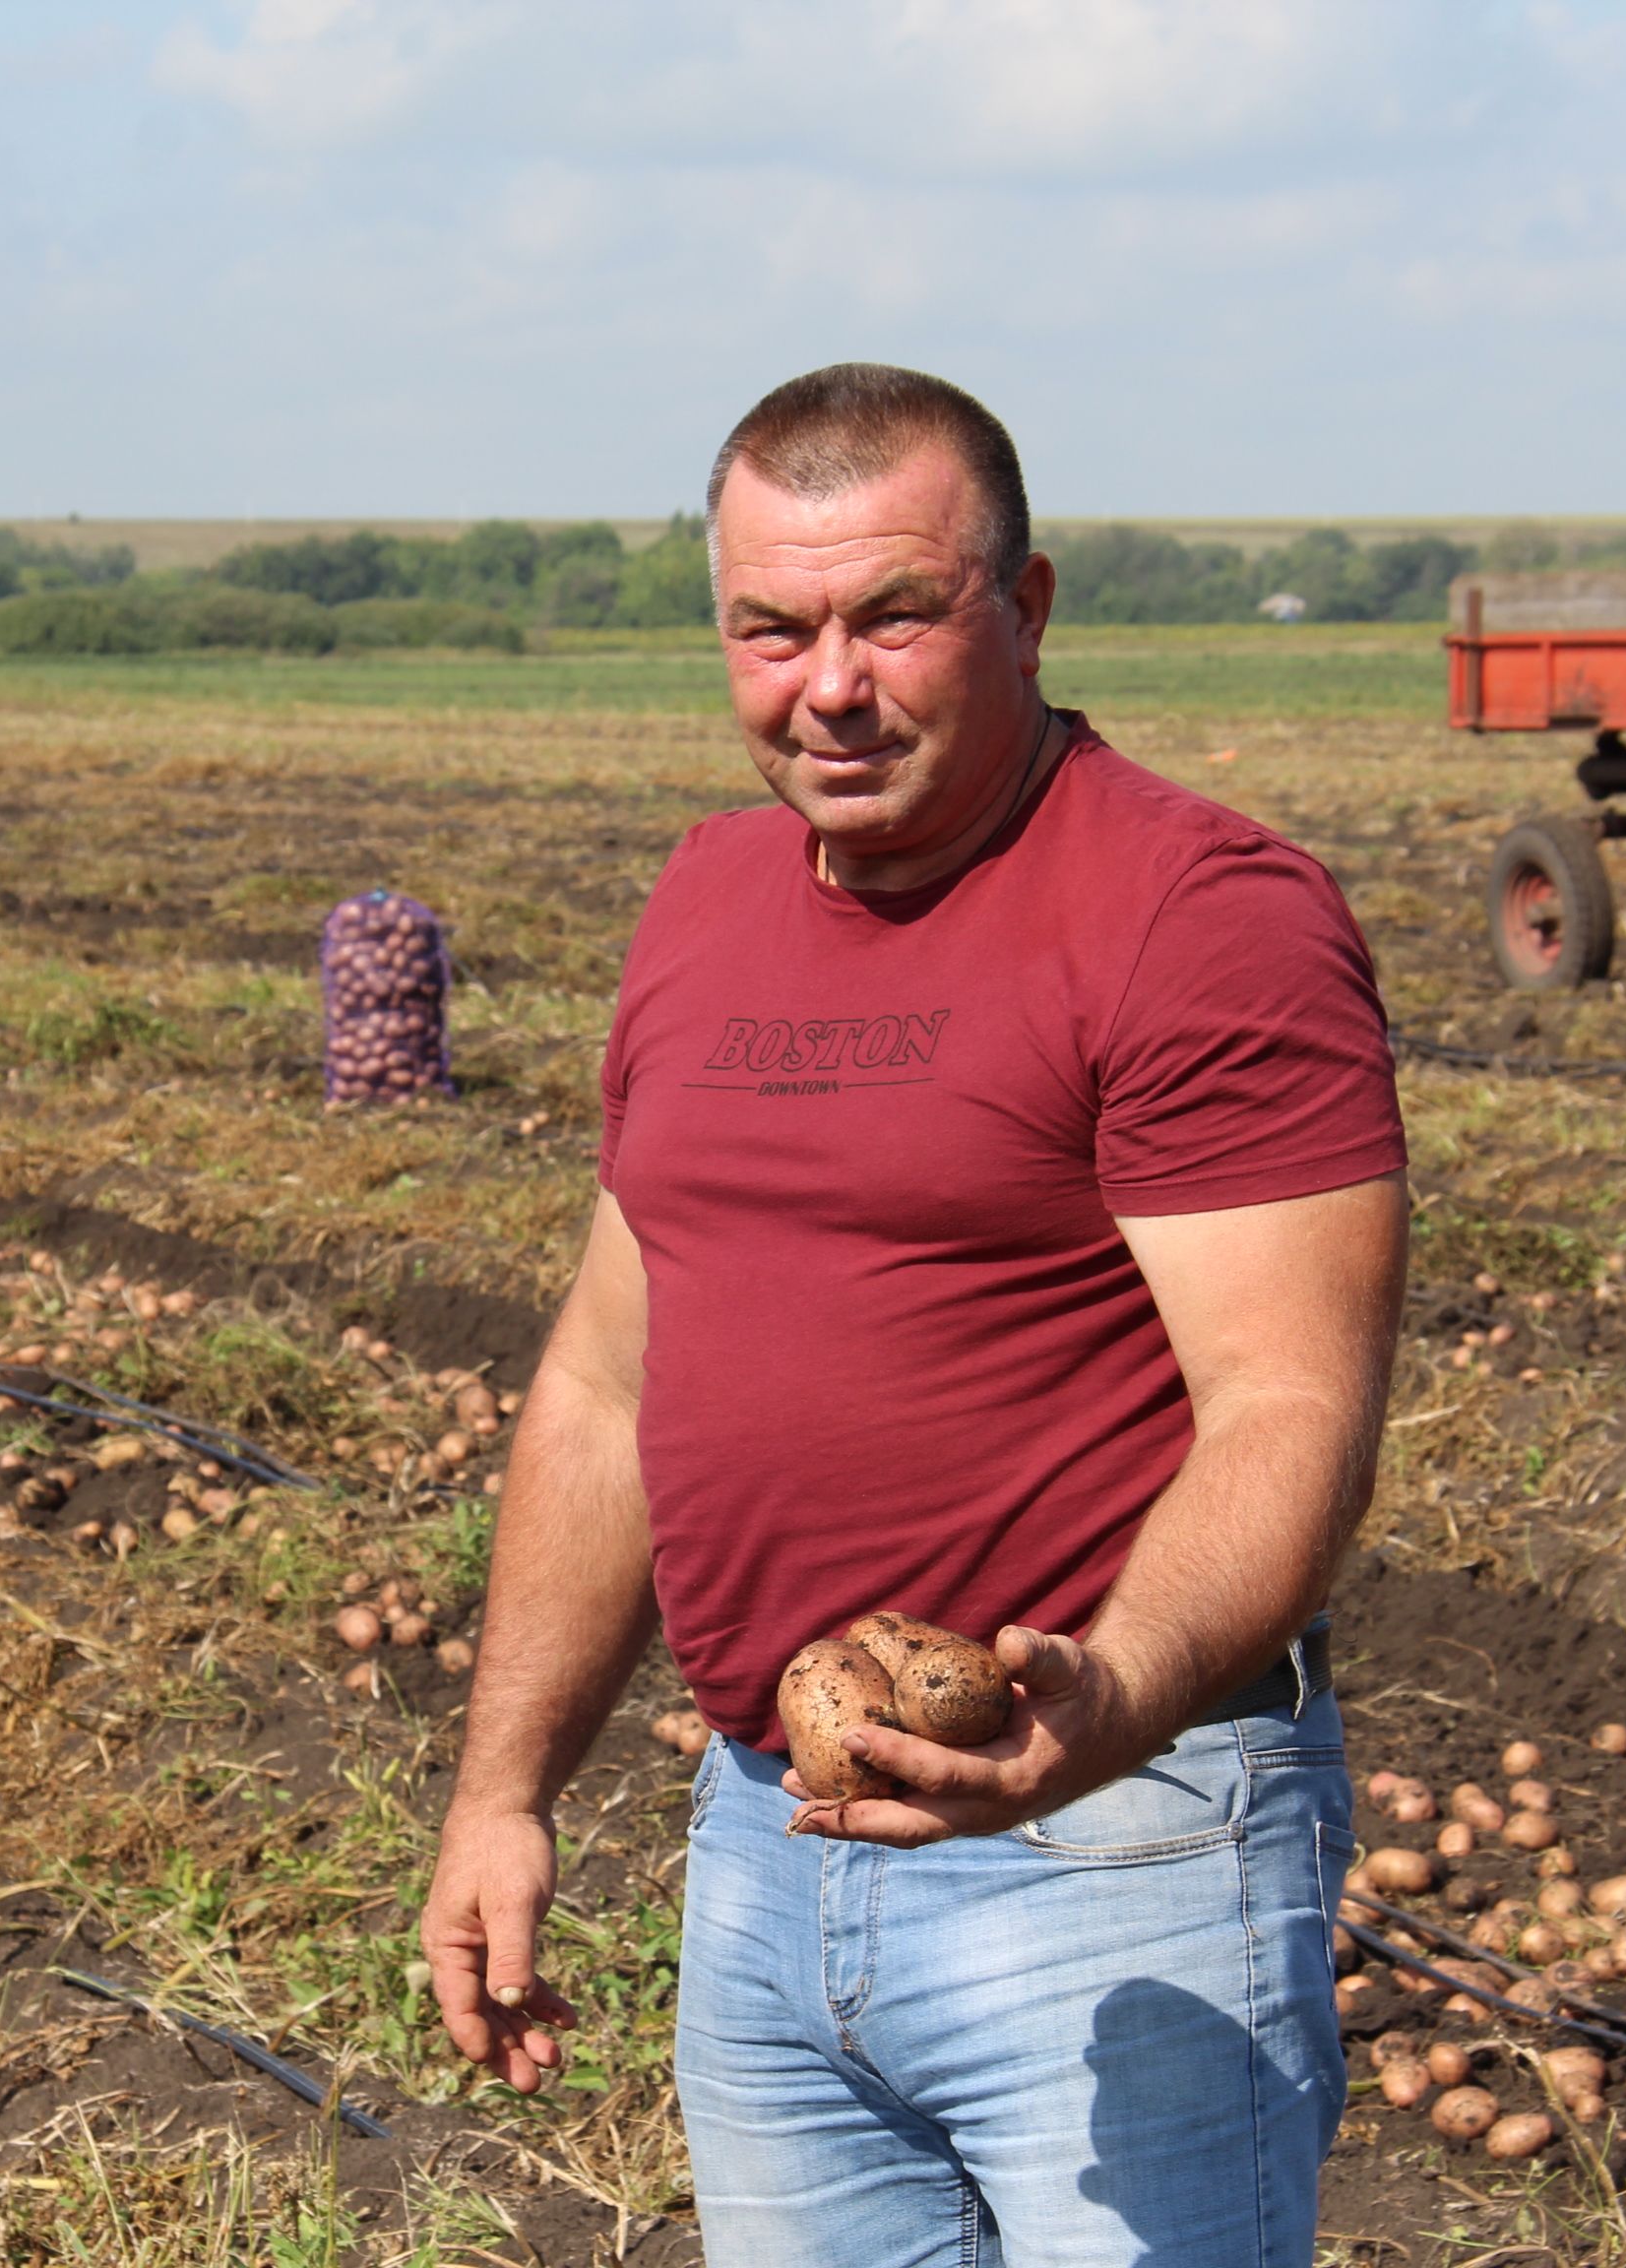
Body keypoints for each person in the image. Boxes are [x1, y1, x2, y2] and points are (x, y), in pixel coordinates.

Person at [420, 362, 1409, 2265]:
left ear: (1023, 612)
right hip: (768, 1841)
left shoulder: (1198, 911)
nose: (830, 687)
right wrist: (503, 1794)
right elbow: (609, 1387)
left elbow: (1291, 1408)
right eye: (772, 629)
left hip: (1117, 1846)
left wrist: (1105, 1706)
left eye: (894, 615)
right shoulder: (706, 899)